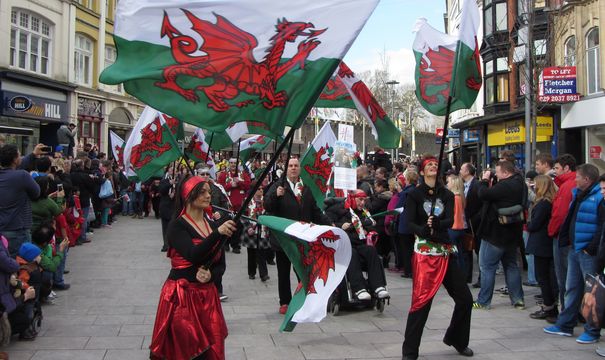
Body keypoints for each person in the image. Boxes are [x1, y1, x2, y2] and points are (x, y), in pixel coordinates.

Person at [149, 175, 237, 360]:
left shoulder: (212, 224)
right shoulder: (177, 226)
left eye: (208, 192)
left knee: (211, 350)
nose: (208, 196)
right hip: (182, 299)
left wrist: (211, 275)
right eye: (202, 192)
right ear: (189, 195)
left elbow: (220, 264)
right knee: (187, 352)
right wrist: (217, 234)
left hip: (207, 298)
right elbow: (192, 254)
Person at [401, 156, 473, 360]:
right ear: (422, 172)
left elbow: (450, 219)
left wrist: (438, 224)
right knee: (421, 303)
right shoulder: (415, 195)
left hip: (445, 251)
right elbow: (408, 222)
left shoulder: (447, 194)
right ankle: (409, 352)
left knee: (465, 299)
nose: (432, 166)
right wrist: (422, 229)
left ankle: (457, 339)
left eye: (435, 164)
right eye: (428, 165)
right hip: (425, 255)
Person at [264, 158, 332, 314]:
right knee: (283, 272)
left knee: (302, 270)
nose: (293, 168)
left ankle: (306, 297)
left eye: (296, 166)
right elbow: (267, 205)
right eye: (290, 166)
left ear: (300, 169)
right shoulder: (278, 186)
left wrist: (330, 224)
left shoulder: (305, 189)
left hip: (301, 239)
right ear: (286, 169)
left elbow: (315, 212)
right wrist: (275, 194)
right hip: (283, 239)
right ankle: (285, 302)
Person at [544, 164, 603, 344]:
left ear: (587, 179)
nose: (575, 179)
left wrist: (591, 247)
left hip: (587, 252)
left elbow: (601, 227)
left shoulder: (598, 198)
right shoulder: (578, 195)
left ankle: (592, 330)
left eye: (578, 177)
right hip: (575, 248)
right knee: (572, 288)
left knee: (591, 293)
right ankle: (565, 324)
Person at [473, 160, 525, 310]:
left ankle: (483, 301)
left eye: (498, 172)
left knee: (487, 267)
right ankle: (518, 299)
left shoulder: (505, 186)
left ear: (506, 172)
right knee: (511, 266)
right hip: (513, 233)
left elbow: (483, 194)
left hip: (495, 233)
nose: (496, 174)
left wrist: (484, 180)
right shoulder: (520, 184)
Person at [526, 175, 558, 323]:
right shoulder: (549, 202)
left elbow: (535, 223)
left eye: (535, 184)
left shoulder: (544, 203)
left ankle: (548, 306)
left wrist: (528, 225)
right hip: (545, 242)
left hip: (541, 243)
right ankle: (550, 305)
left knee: (543, 276)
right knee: (546, 276)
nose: (533, 186)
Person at [0, 144, 41, 257]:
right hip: (18, 230)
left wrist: (33, 155)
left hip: (2, 229)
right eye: (19, 155)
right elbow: (36, 193)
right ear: (14, 159)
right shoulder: (22, 176)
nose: (21, 158)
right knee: (22, 266)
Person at [547, 154, 577, 308]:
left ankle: (567, 312)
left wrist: (552, 231)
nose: (555, 171)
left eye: (557, 168)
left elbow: (560, 213)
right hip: (568, 236)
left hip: (562, 236)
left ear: (566, 168)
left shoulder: (567, 186)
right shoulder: (569, 183)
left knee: (564, 277)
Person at [217, 158, 251, 253]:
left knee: (238, 226)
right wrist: (230, 185)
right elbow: (219, 187)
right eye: (231, 163)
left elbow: (248, 186)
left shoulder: (243, 174)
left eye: (235, 163)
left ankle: (236, 245)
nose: (233, 164)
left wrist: (239, 182)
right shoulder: (224, 174)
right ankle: (225, 243)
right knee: (227, 224)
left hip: (240, 205)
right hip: (228, 205)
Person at [241, 186, 270, 282]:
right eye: (258, 188)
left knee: (262, 252)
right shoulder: (247, 200)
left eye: (262, 189)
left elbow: (269, 213)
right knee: (251, 253)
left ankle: (264, 274)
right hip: (251, 231)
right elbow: (242, 215)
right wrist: (248, 227)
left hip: (262, 230)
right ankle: (251, 272)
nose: (261, 190)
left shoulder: (266, 201)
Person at [460, 163, 481, 286]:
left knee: (478, 252)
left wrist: (474, 219)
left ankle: (481, 279)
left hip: (475, 224)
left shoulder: (477, 185)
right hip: (466, 223)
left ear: (467, 171)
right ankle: (467, 277)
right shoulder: (463, 185)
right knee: (466, 250)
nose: (460, 171)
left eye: (462, 169)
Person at [397, 169, 420, 278]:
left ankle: (408, 270)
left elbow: (399, 207)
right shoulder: (417, 191)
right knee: (413, 248)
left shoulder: (406, 193)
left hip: (405, 224)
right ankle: (415, 269)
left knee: (406, 249)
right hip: (415, 224)